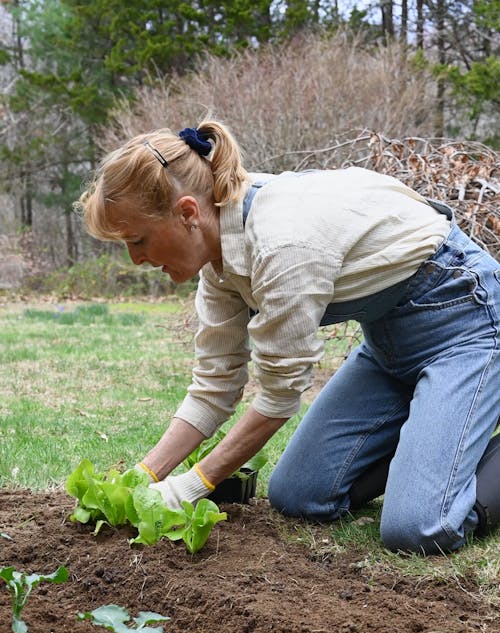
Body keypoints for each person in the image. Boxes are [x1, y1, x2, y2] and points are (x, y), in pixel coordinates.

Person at [76, 121, 500, 555]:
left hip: (466, 321)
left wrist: (192, 484)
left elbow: (279, 397)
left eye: (137, 239)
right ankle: (435, 440)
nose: (136, 258)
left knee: (418, 530)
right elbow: (214, 388)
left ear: (187, 213)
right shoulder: (220, 255)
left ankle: (447, 448)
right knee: (300, 495)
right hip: (388, 343)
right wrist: (143, 477)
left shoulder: (283, 245)